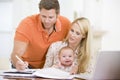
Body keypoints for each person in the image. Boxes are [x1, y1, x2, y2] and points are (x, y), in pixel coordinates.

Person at [10, 0, 71, 70]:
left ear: (58, 15)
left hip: (49, 67)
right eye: (43, 16)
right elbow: (16, 53)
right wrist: (18, 63)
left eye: (50, 17)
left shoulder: (66, 24)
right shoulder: (26, 24)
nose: (46, 21)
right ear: (39, 12)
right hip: (27, 66)